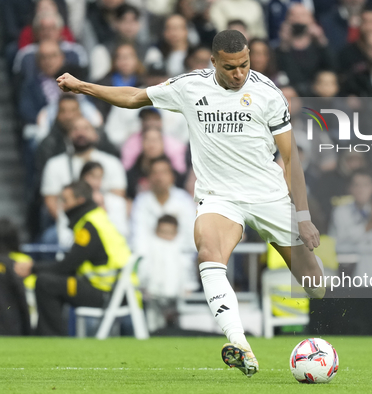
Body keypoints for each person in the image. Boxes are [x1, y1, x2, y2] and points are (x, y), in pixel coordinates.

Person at [57, 29, 325, 376]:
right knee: (208, 253)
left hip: (268, 195)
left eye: (244, 65)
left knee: (315, 285)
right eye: (230, 68)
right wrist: (84, 87)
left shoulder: (267, 93)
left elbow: (291, 160)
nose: (239, 74)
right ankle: (239, 343)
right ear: (213, 62)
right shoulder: (189, 86)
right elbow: (135, 96)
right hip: (219, 196)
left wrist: (302, 216)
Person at [14, 181, 131, 336]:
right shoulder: (96, 219)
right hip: (113, 289)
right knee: (51, 282)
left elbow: (66, 266)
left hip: (105, 292)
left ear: (80, 200)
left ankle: (52, 338)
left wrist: (33, 268)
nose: (61, 205)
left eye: (65, 200)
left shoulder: (88, 227)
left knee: (45, 283)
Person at [138, 214, 198, 331]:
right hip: (153, 292)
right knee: (152, 322)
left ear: (176, 232)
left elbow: (187, 268)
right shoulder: (150, 247)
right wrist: (143, 284)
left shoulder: (180, 248)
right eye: (162, 231)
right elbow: (144, 267)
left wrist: (188, 285)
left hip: (175, 292)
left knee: (175, 320)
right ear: (156, 230)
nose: (166, 235)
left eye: (169, 232)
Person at [130, 156, 195, 254]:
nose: (159, 178)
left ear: (172, 176)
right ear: (149, 177)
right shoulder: (141, 201)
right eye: (155, 173)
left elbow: (190, 236)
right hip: (150, 257)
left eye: (164, 172)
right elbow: (138, 237)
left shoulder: (184, 200)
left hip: (180, 258)